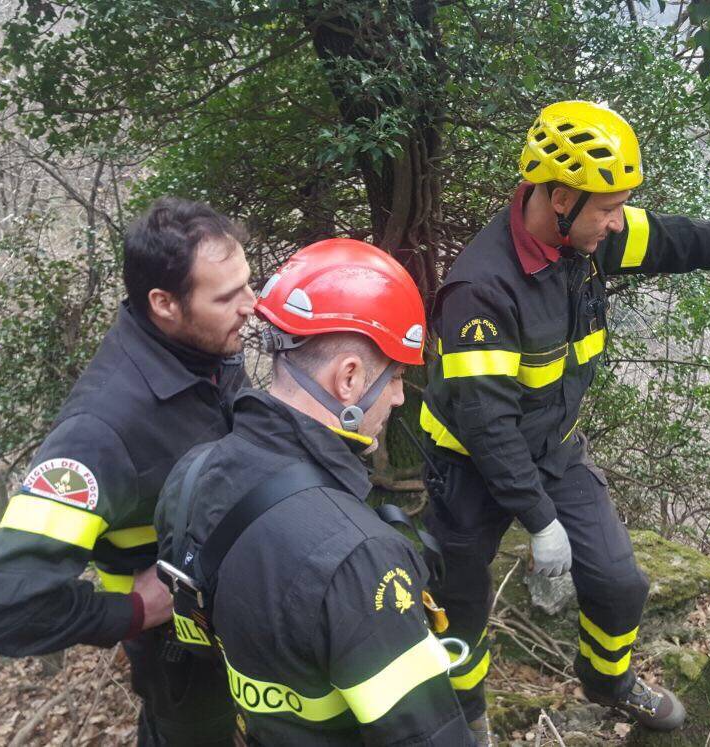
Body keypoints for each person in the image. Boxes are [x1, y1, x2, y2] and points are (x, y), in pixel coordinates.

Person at [419, 100, 710, 741]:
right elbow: (486, 425)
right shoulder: (484, 289)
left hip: (552, 448)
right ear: (558, 197)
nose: (616, 221)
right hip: (468, 463)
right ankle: (461, 716)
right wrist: (540, 521)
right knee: (459, 603)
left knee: (619, 582)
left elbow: (690, 241)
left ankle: (607, 682)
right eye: (606, 208)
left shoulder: (587, 237)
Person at [0, 197, 256, 745]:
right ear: (164, 304)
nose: (251, 305)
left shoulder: (204, 348)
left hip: (246, 628)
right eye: (228, 296)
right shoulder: (102, 432)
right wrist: (133, 609)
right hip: (182, 661)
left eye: (248, 284)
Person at [154, 238, 473, 746]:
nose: (396, 396)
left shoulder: (192, 476)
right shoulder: (359, 557)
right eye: (395, 377)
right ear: (348, 378)